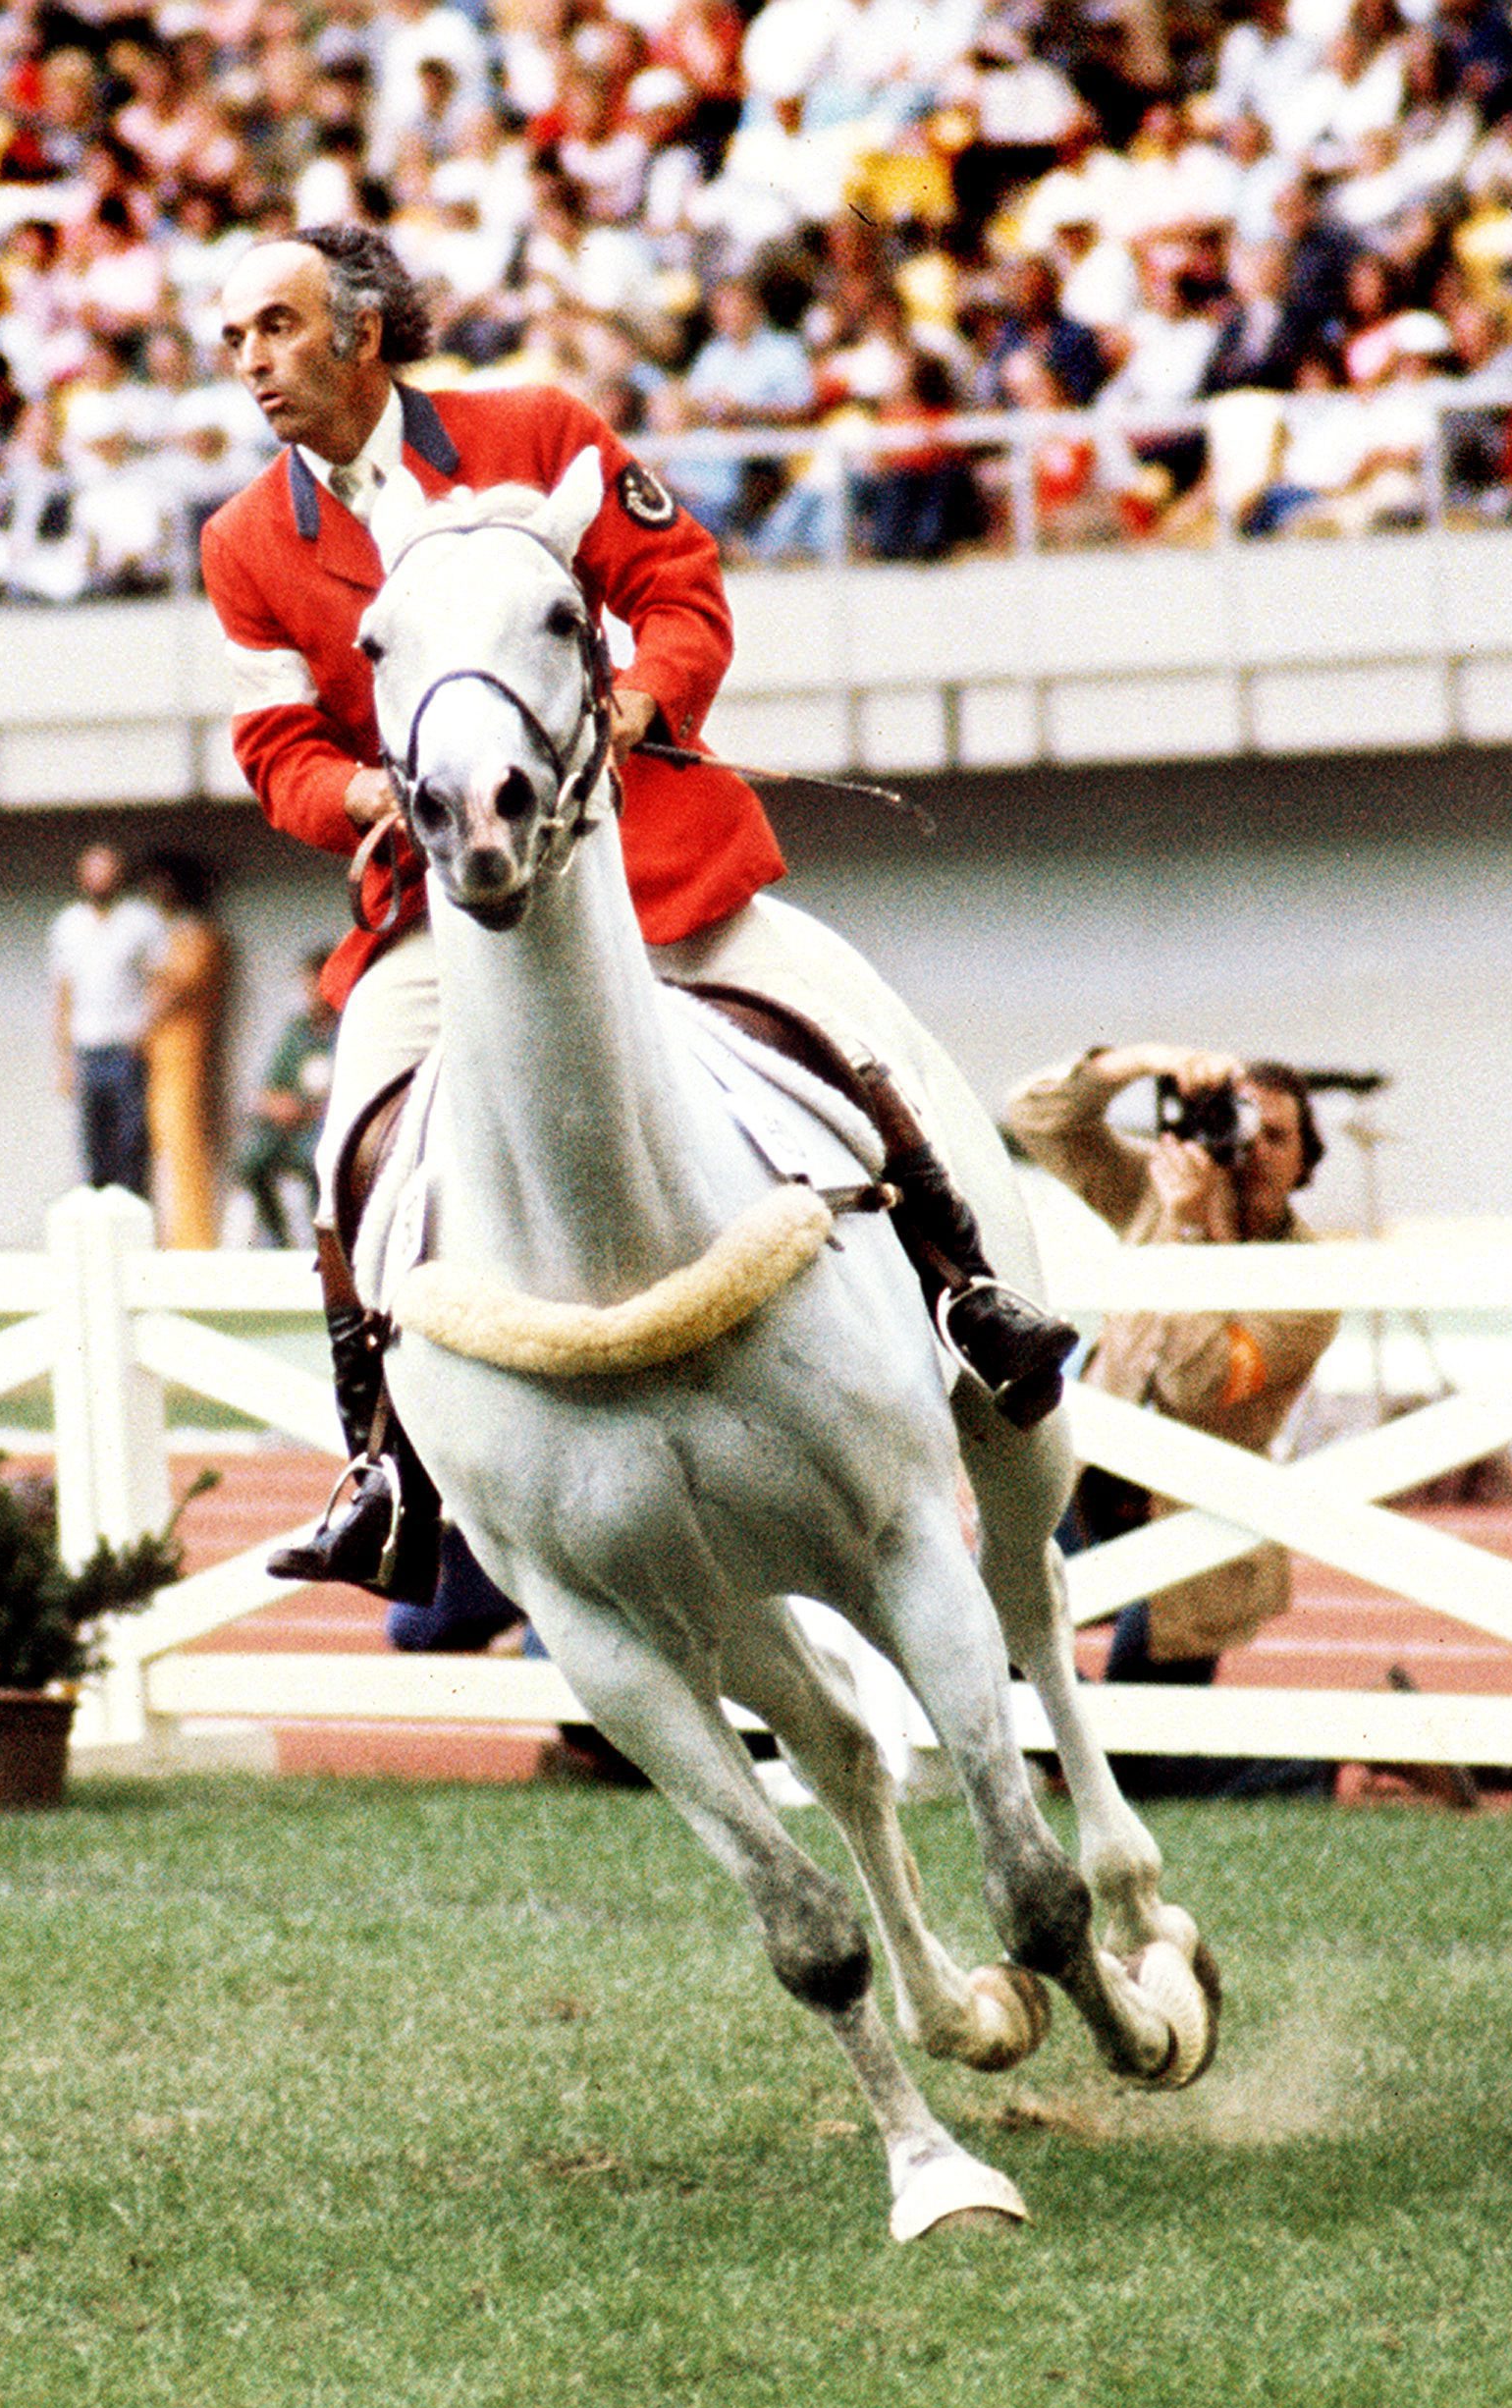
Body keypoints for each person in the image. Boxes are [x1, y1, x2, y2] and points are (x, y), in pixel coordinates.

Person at [199, 224, 1075, 1601]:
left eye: (273, 327)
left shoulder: (537, 426)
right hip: (445, 900)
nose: (247, 360)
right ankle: (378, 1459)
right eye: (232, 339)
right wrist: (379, 797)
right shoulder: (246, 542)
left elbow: (680, 591)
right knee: (343, 1142)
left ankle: (972, 1291)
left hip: (651, 857)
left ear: (360, 331)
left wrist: (630, 706)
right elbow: (274, 752)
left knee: (847, 1036)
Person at [1003, 1044, 1359, 1800]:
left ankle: (1312, 1769)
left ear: (1306, 1160)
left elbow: (1198, 1386)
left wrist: (1191, 1232)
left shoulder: (1311, 1276)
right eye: (1238, 1128)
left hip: (1201, 1533)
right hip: (1085, 1492)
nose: (1252, 1153)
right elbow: (1034, 1117)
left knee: (1136, 1767)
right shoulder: (1150, 1189)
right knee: (987, 1601)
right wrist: (1150, 1058)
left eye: (1277, 1138)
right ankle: (1065, 1741)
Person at [47, 845, 164, 1202]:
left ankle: (136, 1229)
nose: (100, 879)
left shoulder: (141, 920)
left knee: (131, 1144)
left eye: (107, 871)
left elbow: (162, 981)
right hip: (87, 1048)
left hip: (126, 1049)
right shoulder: (69, 924)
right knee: (93, 1148)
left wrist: (144, 1032)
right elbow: (63, 994)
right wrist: (64, 1061)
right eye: (93, 872)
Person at [137, 848, 235, 1249]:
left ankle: (194, 1241)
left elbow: (176, 991)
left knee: (186, 1147)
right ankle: (172, 1236)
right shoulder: (175, 935)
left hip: (187, 1057)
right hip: (164, 1059)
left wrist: (140, 1022)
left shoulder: (198, 935)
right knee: (166, 1151)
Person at [239, 943, 340, 1251]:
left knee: (316, 1160)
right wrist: (277, 1105)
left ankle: (324, 1246)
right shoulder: (296, 1031)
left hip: (326, 1126)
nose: (313, 992)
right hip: (290, 1126)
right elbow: (269, 1088)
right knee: (253, 1161)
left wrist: (309, 1110)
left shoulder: (347, 1029)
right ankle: (278, 1240)